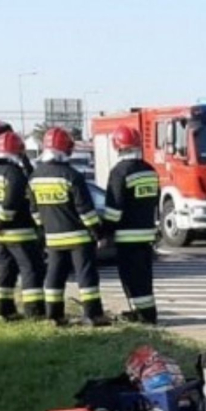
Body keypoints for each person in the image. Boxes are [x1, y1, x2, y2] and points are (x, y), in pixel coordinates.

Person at [28, 127, 107, 326]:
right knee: (86, 277)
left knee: (54, 276)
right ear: (67, 150)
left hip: (53, 238)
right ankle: (92, 315)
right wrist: (97, 233)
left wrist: (44, 229)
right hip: (79, 237)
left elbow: (34, 211)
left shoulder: (35, 177)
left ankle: (54, 315)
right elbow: (85, 210)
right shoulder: (72, 176)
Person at [0, 131, 45, 320]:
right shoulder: (14, 174)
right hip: (20, 233)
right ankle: (34, 311)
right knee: (31, 270)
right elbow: (11, 202)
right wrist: (0, 222)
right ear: (19, 151)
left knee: (4, 271)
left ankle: (5, 310)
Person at [101, 126, 160, 323]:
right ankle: (147, 313)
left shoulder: (119, 172)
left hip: (126, 236)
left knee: (131, 278)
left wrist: (104, 232)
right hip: (147, 235)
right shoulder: (150, 170)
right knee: (144, 277)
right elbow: (155, 201)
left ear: (117, 146)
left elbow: (114, 209)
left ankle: (143, 316)